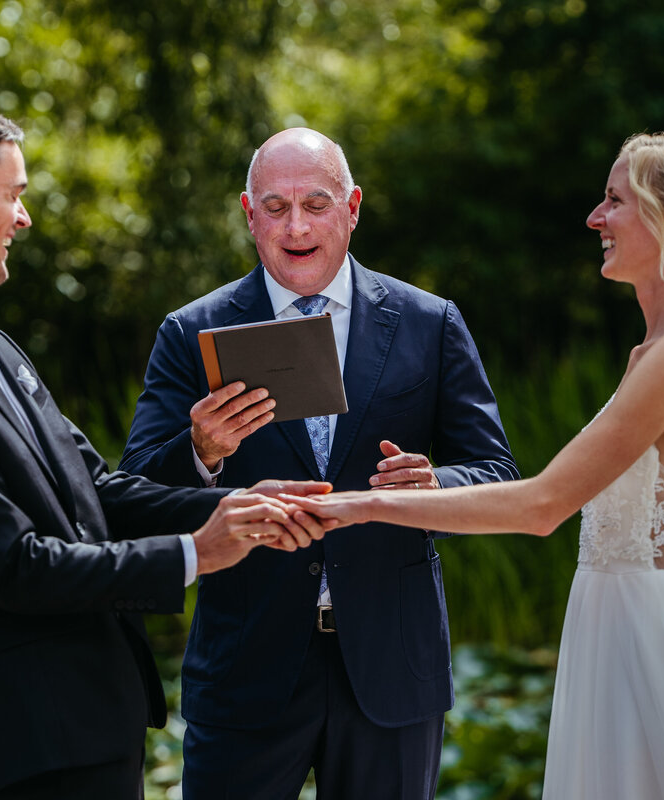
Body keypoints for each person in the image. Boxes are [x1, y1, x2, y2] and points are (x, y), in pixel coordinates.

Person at [288, 133, 664, 799]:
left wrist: (359, 505)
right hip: (635, 633)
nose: (594, 217)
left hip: (645, 636)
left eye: (614, 200)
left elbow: (542, 505)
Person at [0, 97, 330, 800]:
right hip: (38, 749)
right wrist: (197, 553)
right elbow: (15, 568)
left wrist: (239, 503)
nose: (23, 217)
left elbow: (94, 490)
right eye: (12, 193)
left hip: (95, 727)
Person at [118, 127, 518, 799]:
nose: (296, 226)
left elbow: (496, 472)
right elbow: (133, 495)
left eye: (316, 204)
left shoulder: (429, 322)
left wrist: (434, 486)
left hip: (392, 668)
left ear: (352, 208)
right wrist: (201, 452)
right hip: (245, 670)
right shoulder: (191, 331)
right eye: (275, 207)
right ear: (249, 215)